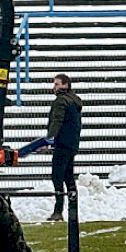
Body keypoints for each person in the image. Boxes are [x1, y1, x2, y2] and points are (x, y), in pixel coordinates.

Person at [45, 74, 83, 222]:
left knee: (57, 176)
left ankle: (58, 210)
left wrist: (49, 140)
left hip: (62, 144)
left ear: (65, 85)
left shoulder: (61, 101)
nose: (54, 87)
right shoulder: (74, 101)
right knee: (69, 177)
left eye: (57, 84)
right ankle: (73, 209)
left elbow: (57, 121)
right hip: (72, 143)